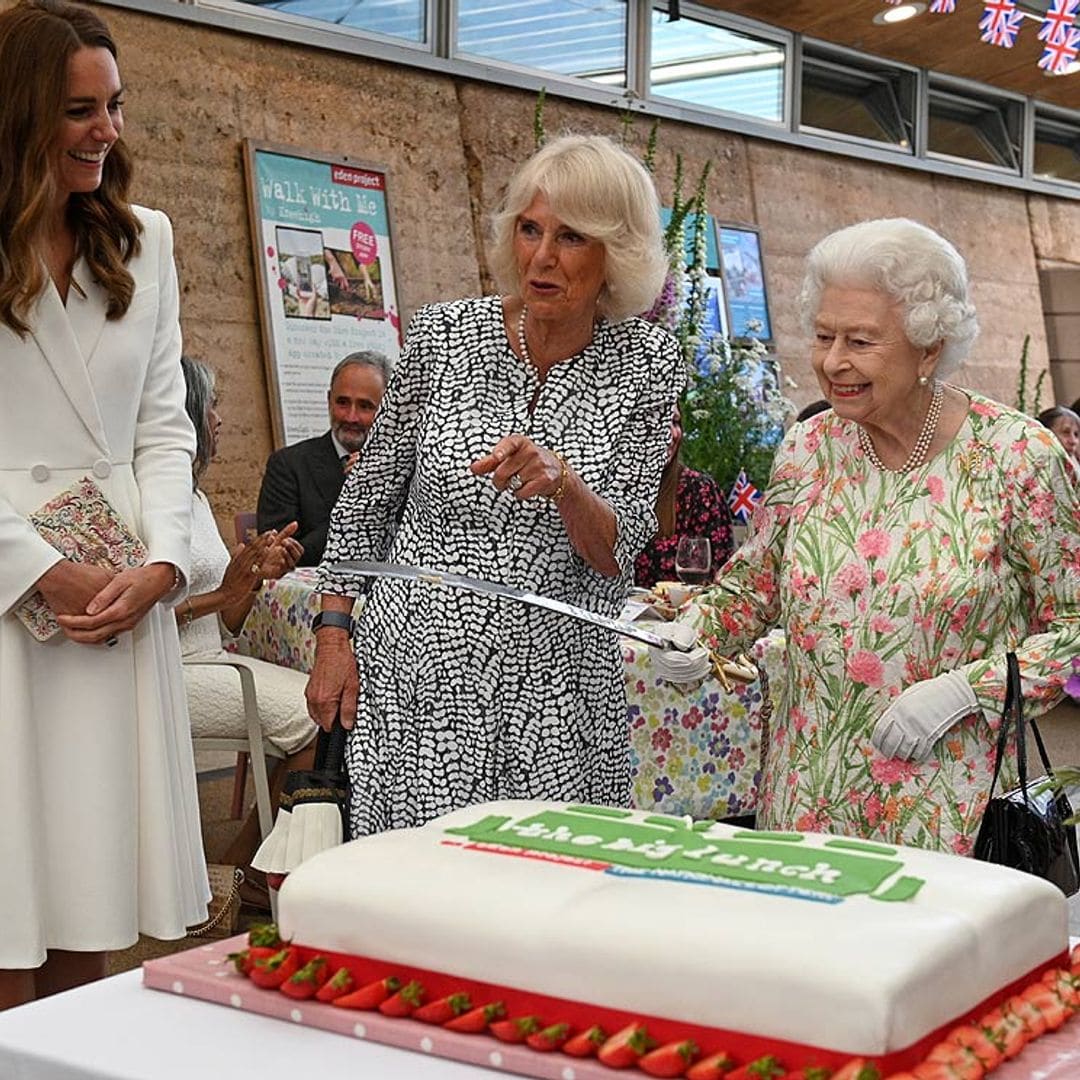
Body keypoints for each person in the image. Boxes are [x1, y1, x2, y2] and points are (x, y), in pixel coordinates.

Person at [307, 133, 683, 838]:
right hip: (419, 674)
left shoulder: (648, 363)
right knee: (419, 890)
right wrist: (334, 634)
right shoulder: (444, 335)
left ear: (617, 255)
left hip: (556, 685)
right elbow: (367, 503)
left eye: (571, 237)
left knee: (541, 897)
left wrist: (567, 485)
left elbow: (619, 554)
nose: (541, 257)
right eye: (530, 229)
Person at [685, 217, 1080, 855]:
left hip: (949, 815)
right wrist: (695, 633)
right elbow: (754, 586)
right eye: (822, 336)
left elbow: (1073, 627)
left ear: (929, 347)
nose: (833, 361)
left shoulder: (1017, 456)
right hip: (804, 801)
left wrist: (965, 690)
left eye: (861, 341)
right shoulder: (808, 448)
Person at [0, 0, 209, 1007]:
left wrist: (165, 563)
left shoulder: (148, 242)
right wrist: (37, 565)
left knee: (92, 891)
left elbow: (165, 429)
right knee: (7, 904)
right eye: (81, 109)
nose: (108, 132)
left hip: (119, 605)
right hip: (8, 612)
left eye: (116, 106)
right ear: (19, 115)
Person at [177, 357, 316, 872]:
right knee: (314, 717)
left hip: (211, 658)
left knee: (323, 699)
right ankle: (245, 869)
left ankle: (257, 864)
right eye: (211, 405)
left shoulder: (192, 494)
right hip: (170, 674)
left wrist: (255, 574)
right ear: (185, 413)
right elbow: (138, 619)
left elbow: (226, 623)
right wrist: (223, 592)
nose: (219, 419)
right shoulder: (150, 498)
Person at [256, 350, 391, 566]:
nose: (351, 417)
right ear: (329, 400)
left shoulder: (404, 470)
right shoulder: (289, 465)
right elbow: (280, 558)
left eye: (365, 406)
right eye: (342, 403)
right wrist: (356, 500)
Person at [634, 405, 735, 589]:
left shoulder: (698, 491)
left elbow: (721, 573)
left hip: (682, 614)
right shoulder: (609, 491)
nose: (672, 433)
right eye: (662, 422)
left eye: (675, 422)